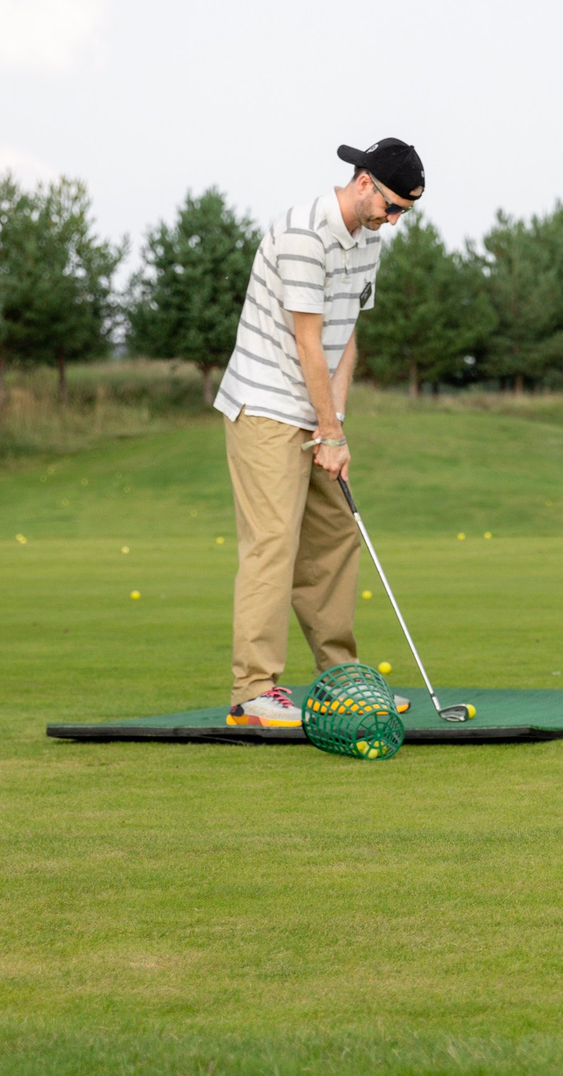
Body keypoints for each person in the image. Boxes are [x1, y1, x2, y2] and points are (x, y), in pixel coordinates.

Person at [218, 139, 425, 726]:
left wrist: (334, 423)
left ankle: (339, 681)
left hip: (312, 408)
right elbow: (308, 340)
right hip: (264, 404)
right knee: (274, 542)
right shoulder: (302, 236)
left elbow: (346, 335)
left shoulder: (370, 241)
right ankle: (252, 692)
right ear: (364, 183)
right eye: (391, 207)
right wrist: (329, 433)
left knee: (335, 535)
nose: (394, 220)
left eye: (404, 213)